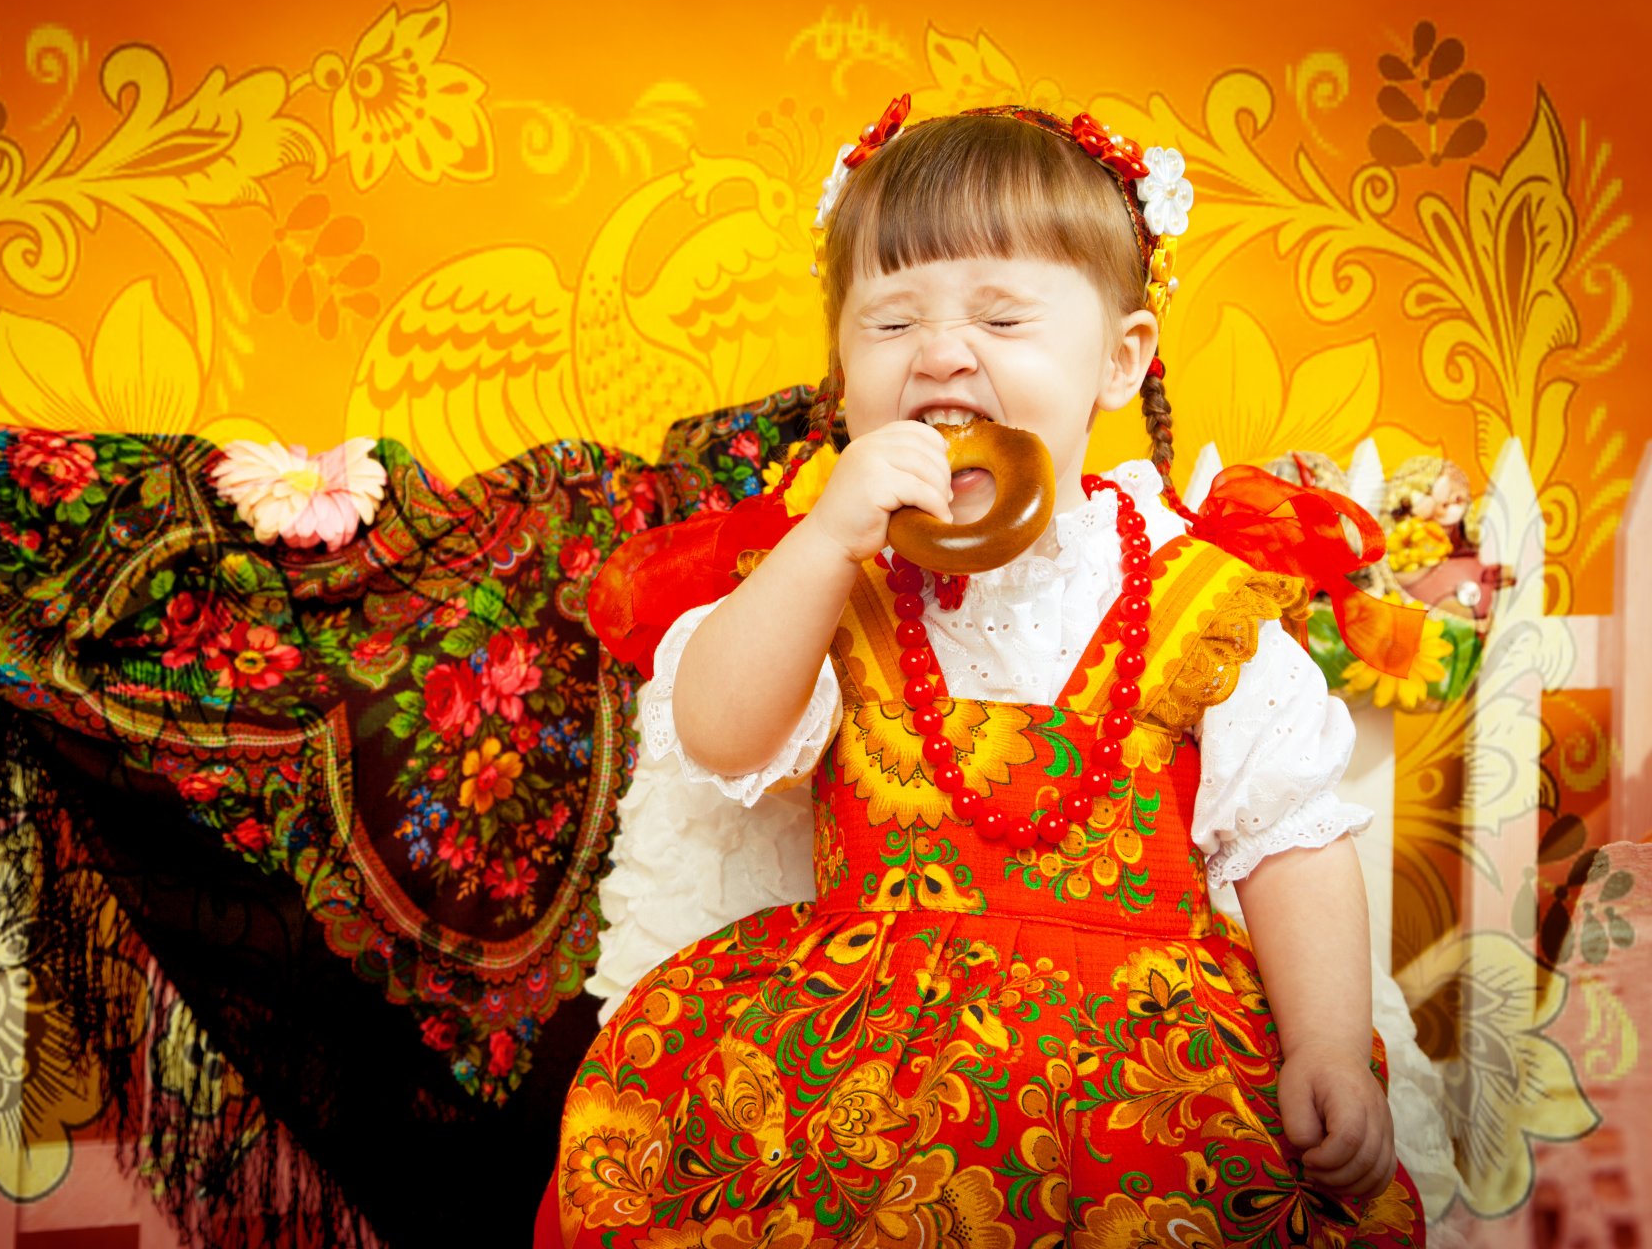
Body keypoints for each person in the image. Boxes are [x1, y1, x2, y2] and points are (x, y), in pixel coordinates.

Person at [536, 98, 1429, 1247]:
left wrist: (1326, 1044)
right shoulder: (834, 579)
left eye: (1002, 317)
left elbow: (1290, 839)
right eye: (891, 320)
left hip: (1144, 1074)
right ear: (844, 370)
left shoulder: (1202, 601)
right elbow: (717, 731)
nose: (942, 351)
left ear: (1120, 359)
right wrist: (822, 542)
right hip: (858, 1069)